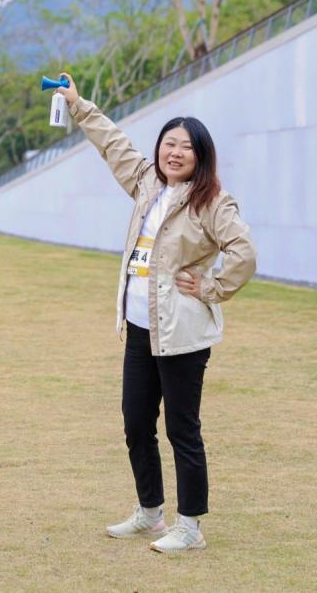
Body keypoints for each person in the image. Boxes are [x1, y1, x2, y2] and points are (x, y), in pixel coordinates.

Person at [56, 74, 256, 553]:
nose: (175, 153)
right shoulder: (147, 182)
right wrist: (79, 105)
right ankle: (149, 513)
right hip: (140, 330)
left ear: (201, 156)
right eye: (169, 143)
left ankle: (189, 527)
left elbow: (244, 253)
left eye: (186, 147)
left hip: (182, 335)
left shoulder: (212, 202)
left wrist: (211, 287)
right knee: (135, 423)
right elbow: (113, 144)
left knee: (182, 429)